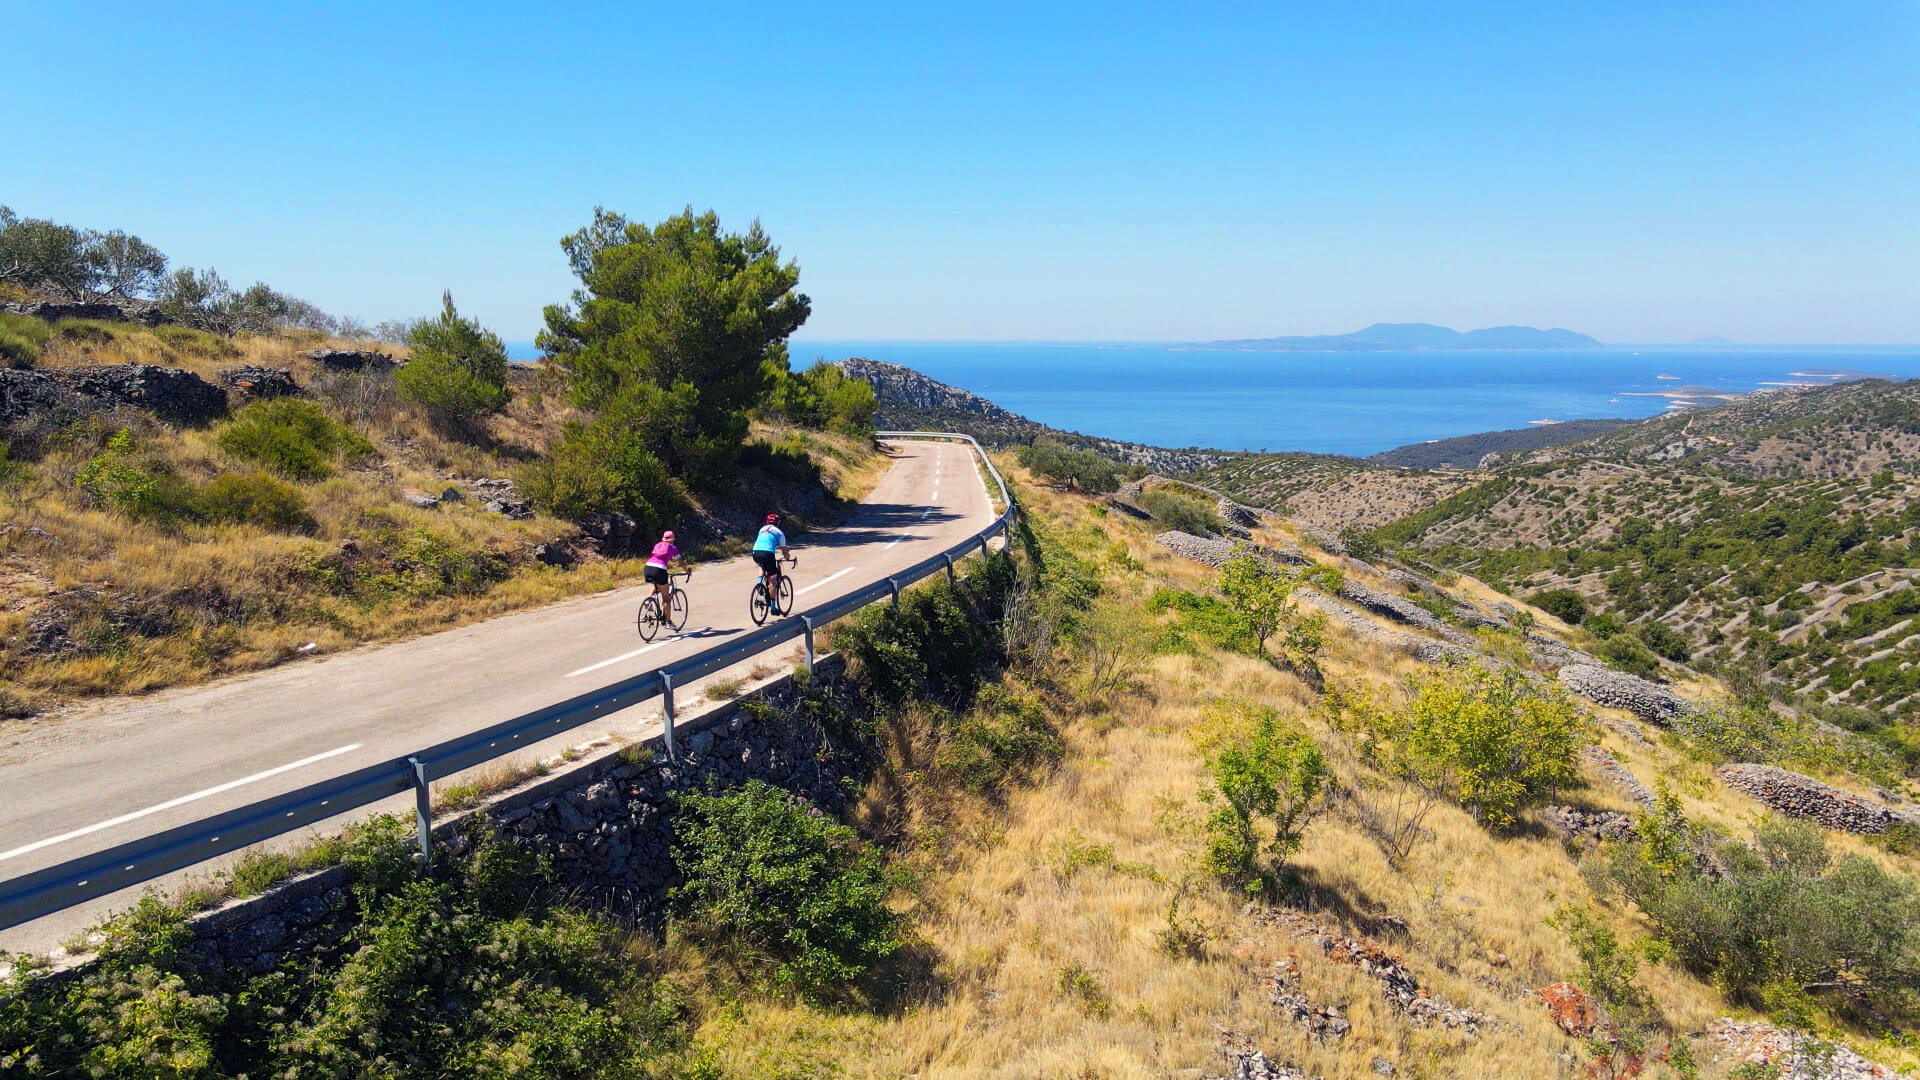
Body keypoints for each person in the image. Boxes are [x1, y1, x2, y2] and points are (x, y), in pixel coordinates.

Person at [752, 513, 790, 600]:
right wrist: (787, 556)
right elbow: (784, 552)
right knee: (773, 580)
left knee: (762, 565)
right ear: (778, 523)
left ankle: (759, 583)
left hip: (755, 552)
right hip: (768, 554)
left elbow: (764, 541)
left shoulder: (762, 529)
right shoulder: (780, 533)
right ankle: (773, 606)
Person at [644, 530, 680, 608]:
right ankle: (667, 615)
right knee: (666, 599)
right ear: (672, 539)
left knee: (656, 584)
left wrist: (670, 563)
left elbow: (661, 557)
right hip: (659, 569)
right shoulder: (672, 547)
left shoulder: (657, 545)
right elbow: (680, 560)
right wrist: (687, 570)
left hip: (648, 566)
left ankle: (648, 600)